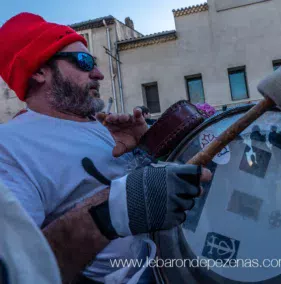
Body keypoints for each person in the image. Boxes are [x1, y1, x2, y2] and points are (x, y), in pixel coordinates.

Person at [0, 12, 211, 283]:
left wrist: (144, 150)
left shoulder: (99, 127)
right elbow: (21, 268)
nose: (98, 74)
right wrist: (113, 210)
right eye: (84, 62)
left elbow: (143, 190)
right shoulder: (10, 147)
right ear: (39, 70)